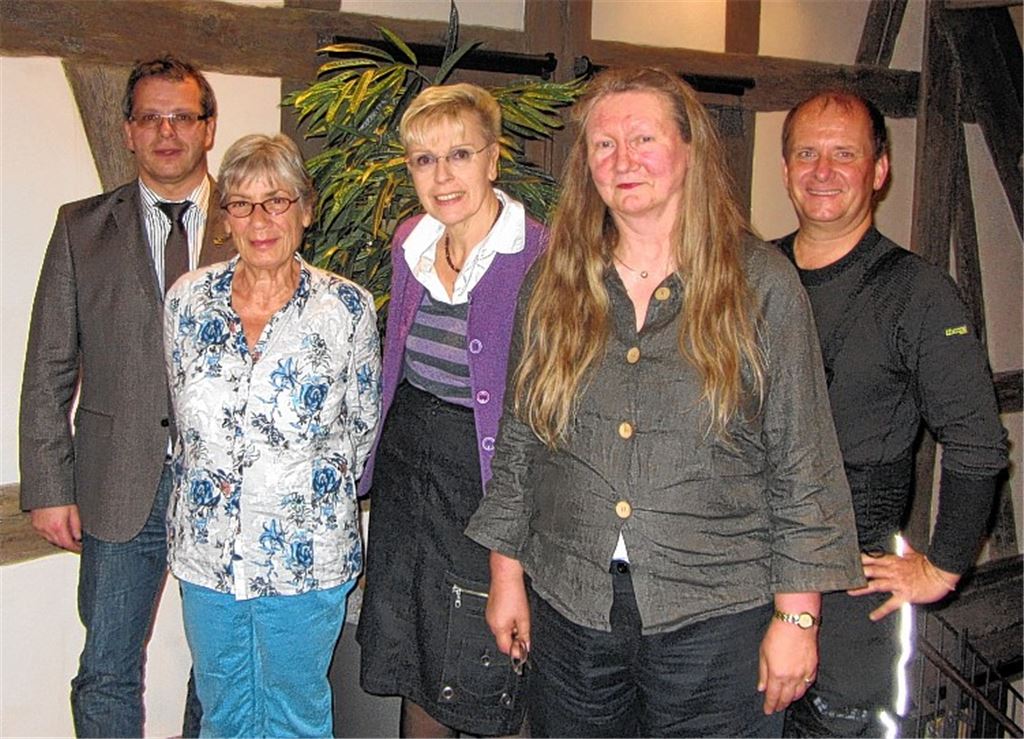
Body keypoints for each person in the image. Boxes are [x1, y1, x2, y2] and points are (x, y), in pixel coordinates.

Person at [464, 66, 865, 738]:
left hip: (717, 619)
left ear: (689, 150)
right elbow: (522, 442)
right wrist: (507, 574)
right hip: (573, 608)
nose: (621, 160)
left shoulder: (761, 283)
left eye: (643, 138)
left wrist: (798, 619)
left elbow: (802, 463)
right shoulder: (553, 284)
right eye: (602, 145)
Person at [775, 90, 1008, 738]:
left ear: (879, 169)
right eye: (807, 153)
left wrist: (942, 564)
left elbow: (978, 443)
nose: (823, 170)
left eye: (844, 154)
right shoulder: (752, 275)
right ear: (786, 166)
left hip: (857, 596)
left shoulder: (919, 293)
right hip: (747, 579)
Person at [19, 54, 229, 738]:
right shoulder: (80, 228)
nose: (166, 132)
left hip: (225, 490)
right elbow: (49, 362)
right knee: (107, 665)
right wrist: (49, 484)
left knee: (221, 665)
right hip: (116, 483)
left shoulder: (255, 225)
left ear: (207, 129)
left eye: (182, 117)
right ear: (128, 131)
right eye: (150, 117)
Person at [162, 132, 381, 737]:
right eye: (241, 203)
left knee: (296, 715)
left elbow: (362, 432)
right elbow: (185, 422)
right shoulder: (186, 303)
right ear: (224, 216)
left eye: (276, 201)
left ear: (305, 210)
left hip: (304, 556)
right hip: (208, 555)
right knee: (222, 712)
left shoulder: (347, 310)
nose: (259, 220)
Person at [355, 83, 547, 737]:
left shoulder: (539, 256)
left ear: (493, 159)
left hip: (486, 478)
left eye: (459, 154)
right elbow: (395, 372)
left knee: (486, 656)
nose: (442, 176)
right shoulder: (411, 240)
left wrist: (514, 548)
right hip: (412, 475)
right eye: (423, 160)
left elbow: (539, 413)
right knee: (417, 655)